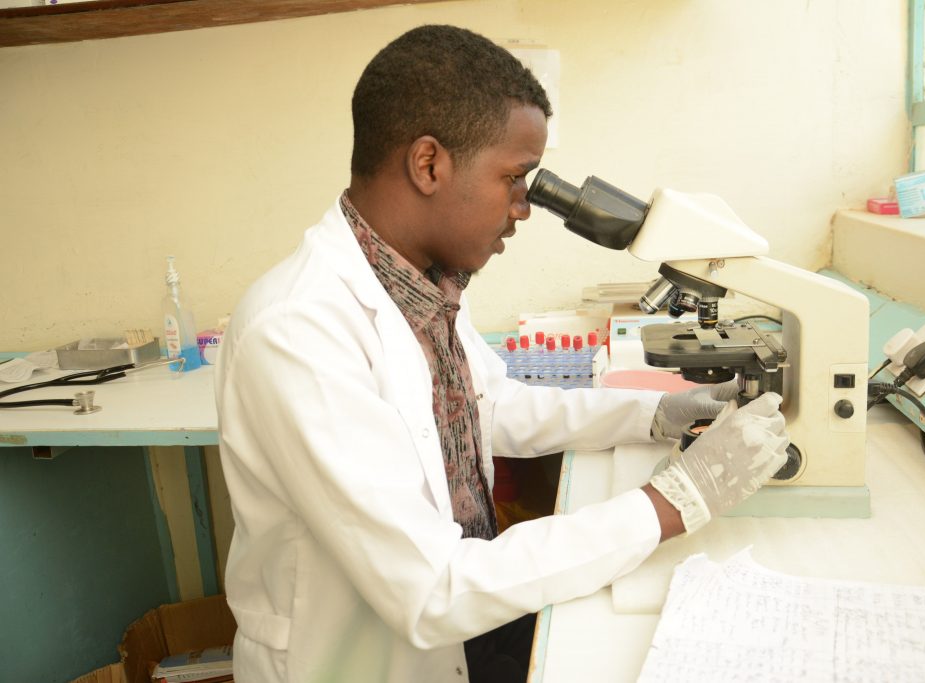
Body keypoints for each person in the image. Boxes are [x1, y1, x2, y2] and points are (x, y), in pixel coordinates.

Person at [214, 24, 789, 683]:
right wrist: (675, 500)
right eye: (515, 178)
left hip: (469, 628)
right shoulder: (298, 332)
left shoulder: (420, 280)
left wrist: (657, 412)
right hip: (366, 659)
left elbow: (495, 409)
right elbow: (431, 590)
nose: (524, 207)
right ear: (429, 164)